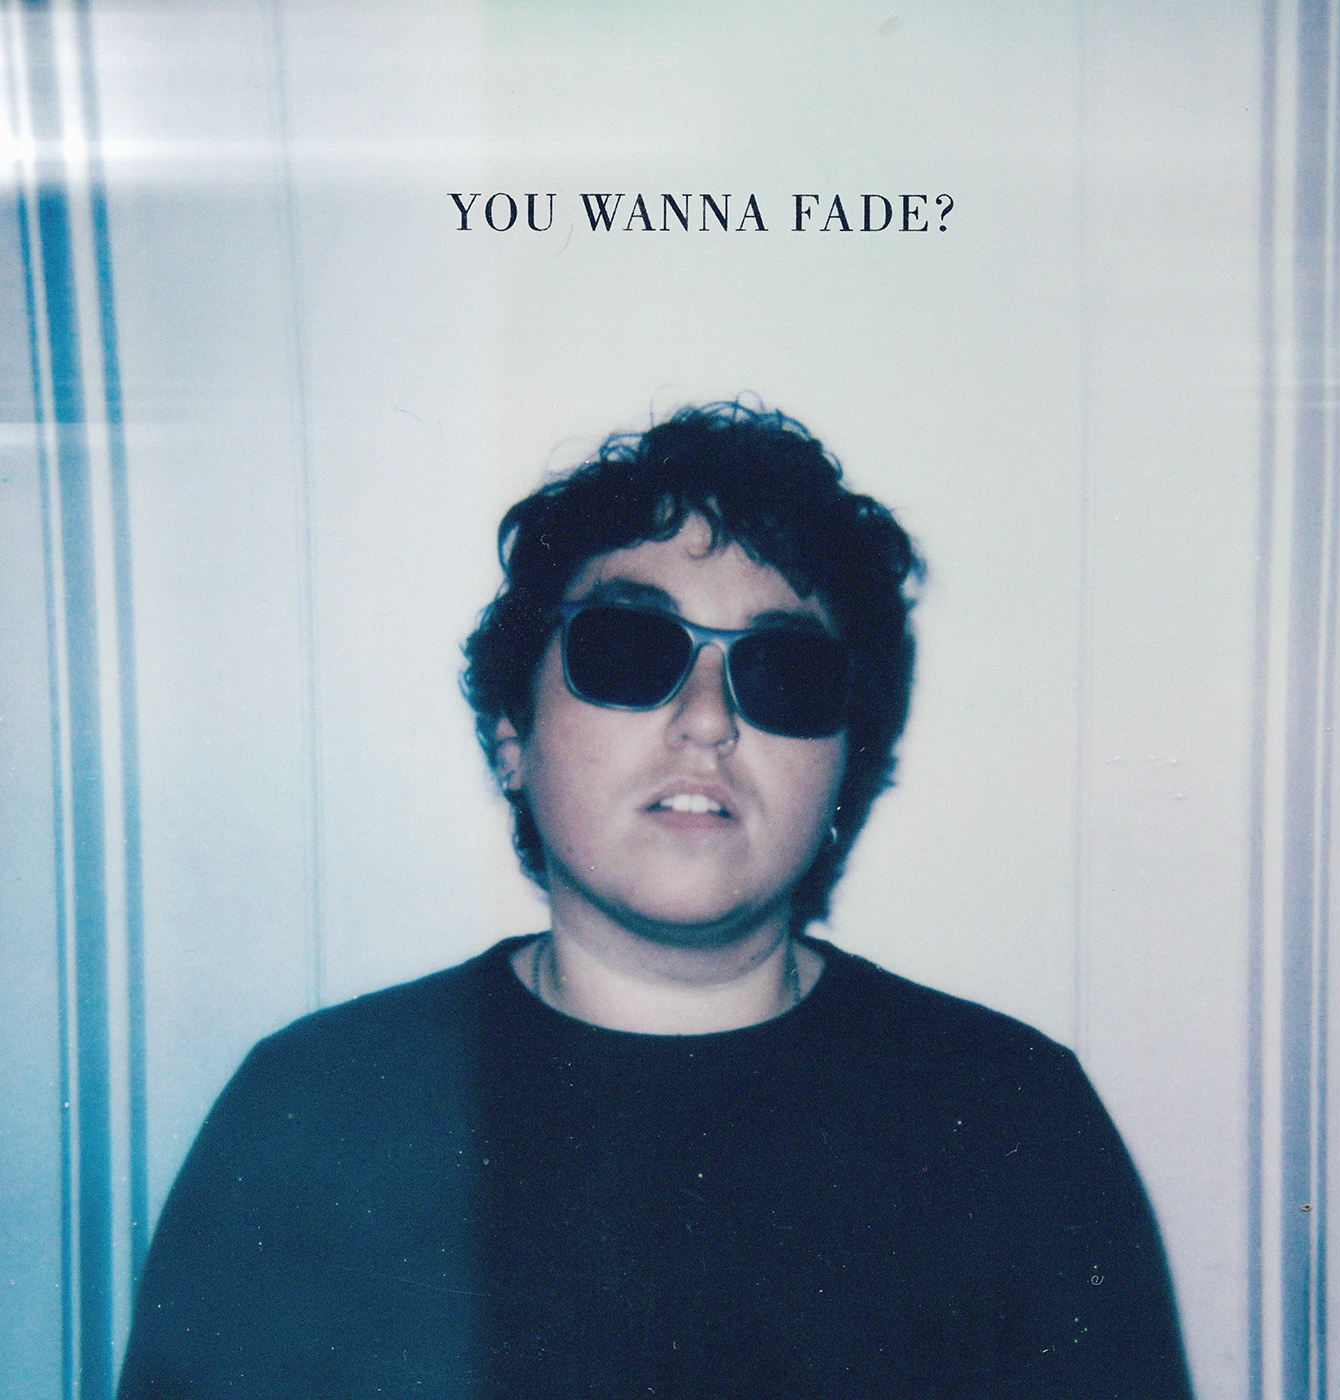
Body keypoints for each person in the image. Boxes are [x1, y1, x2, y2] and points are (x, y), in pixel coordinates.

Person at [118, 402, 1194, 1398]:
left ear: (843, 767)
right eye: (629, 648)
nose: (707, 720)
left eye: (781, 671)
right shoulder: (319, 1111)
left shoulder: (1009, 1123)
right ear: (510, 735)